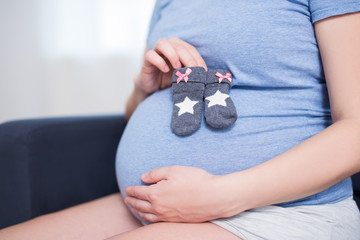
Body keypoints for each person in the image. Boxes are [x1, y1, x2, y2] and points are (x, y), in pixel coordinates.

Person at [1, 0, 360, 239]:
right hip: (153, 204)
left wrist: (221, 196)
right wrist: (145, 90)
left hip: (283, 212)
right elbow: (140, 115)